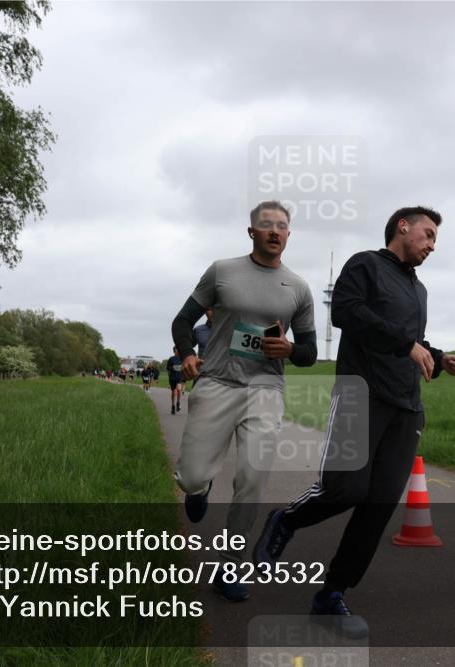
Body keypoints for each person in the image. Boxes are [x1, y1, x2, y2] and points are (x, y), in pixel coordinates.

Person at [253, 206, 455, 637]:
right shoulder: (365, 265)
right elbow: (347, 314)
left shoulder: (419, 289)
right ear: (403, 227)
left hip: (406, 406)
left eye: (435, 239)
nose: (432, 245)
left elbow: (410, 341)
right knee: (345, 488)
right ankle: (287, 520)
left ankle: (332, 593)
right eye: (428, 234)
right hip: (361, 394)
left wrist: (439, 357)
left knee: (379, 505)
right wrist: (407, 344)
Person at [171, 200, 318, 602]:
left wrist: (289, 349)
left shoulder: (299, 288)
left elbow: (309, 352)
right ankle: (199, 488)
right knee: (191, 476)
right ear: (251, 231)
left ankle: (230, 565)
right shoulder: (222, 272)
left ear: (289, 234)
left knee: (252, 479)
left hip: (265, 390)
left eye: (282, 226)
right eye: (266, 225)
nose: (274, 231)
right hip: (217, 382)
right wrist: (188, 355)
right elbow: (182, 321)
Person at [167, 346, 184, 414]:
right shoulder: (171, 359)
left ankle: (178, 403)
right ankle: (173, 406)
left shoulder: (182, 359)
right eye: (177, 349)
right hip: (172, 378)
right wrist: (172, 368)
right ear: (174, 351)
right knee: (173, 392)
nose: (179, 350)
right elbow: (168, 368)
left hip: (179, 378)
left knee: (179, 390)